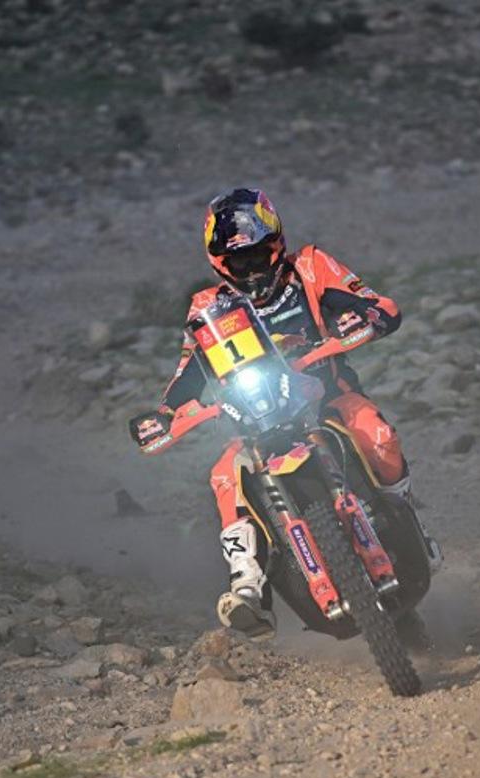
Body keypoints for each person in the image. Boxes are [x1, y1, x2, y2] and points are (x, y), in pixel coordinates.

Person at [130, 188, 441, 638]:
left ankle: (407, 519)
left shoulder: (311, 266)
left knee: (376, 433)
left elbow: (374, 302)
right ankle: (248, 588)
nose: (252, 269)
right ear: (221, 264)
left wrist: (365, 316)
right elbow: (188, 372)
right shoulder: (208, 308)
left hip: (327, 399)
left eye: (258, 256)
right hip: (254, 421)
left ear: (276, 246)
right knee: (223, 475)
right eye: (240, 263)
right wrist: (165, 413)